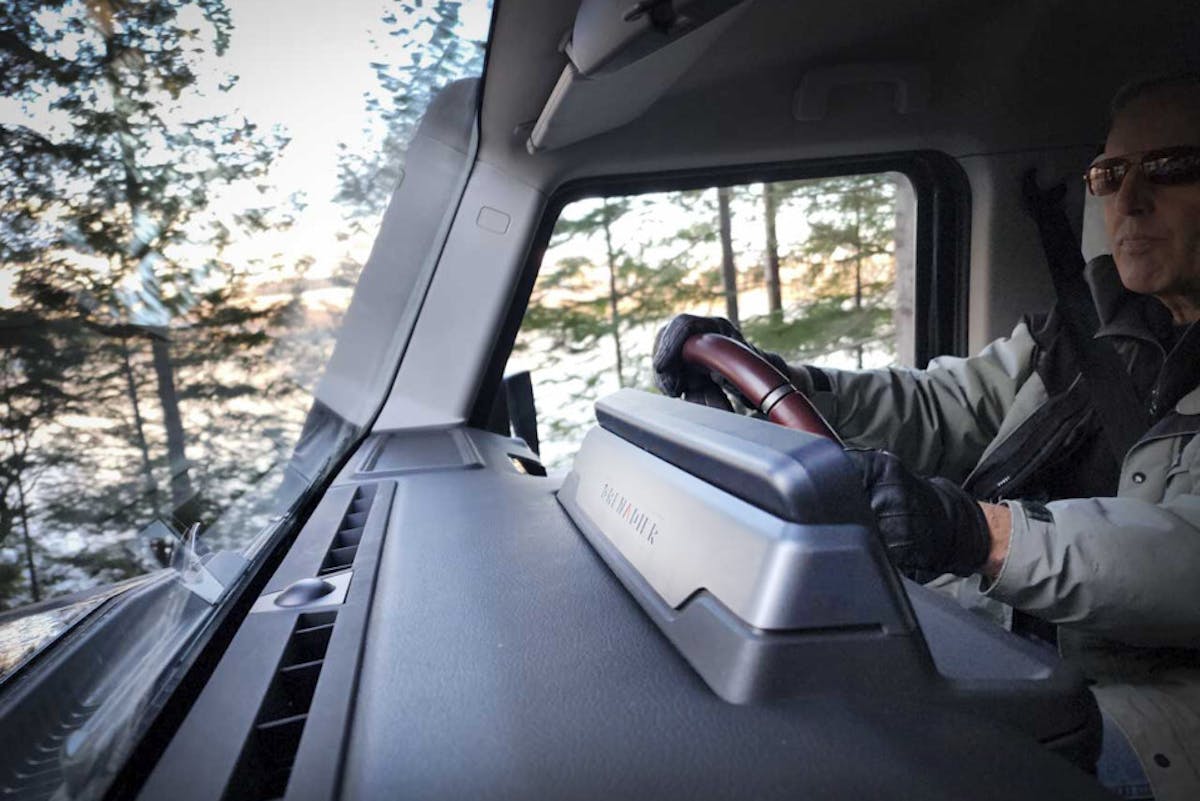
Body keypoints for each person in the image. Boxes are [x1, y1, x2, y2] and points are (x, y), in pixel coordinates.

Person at [653, 73, 1200, 801]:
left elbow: (1183, 554)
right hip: (1001, 631)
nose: (1127, 201)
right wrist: (789, 379)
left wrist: (981, 534)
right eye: (1110, 173)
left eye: (1169, 169)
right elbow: (944, 404)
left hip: (1155, 705)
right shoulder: (1089, 329)